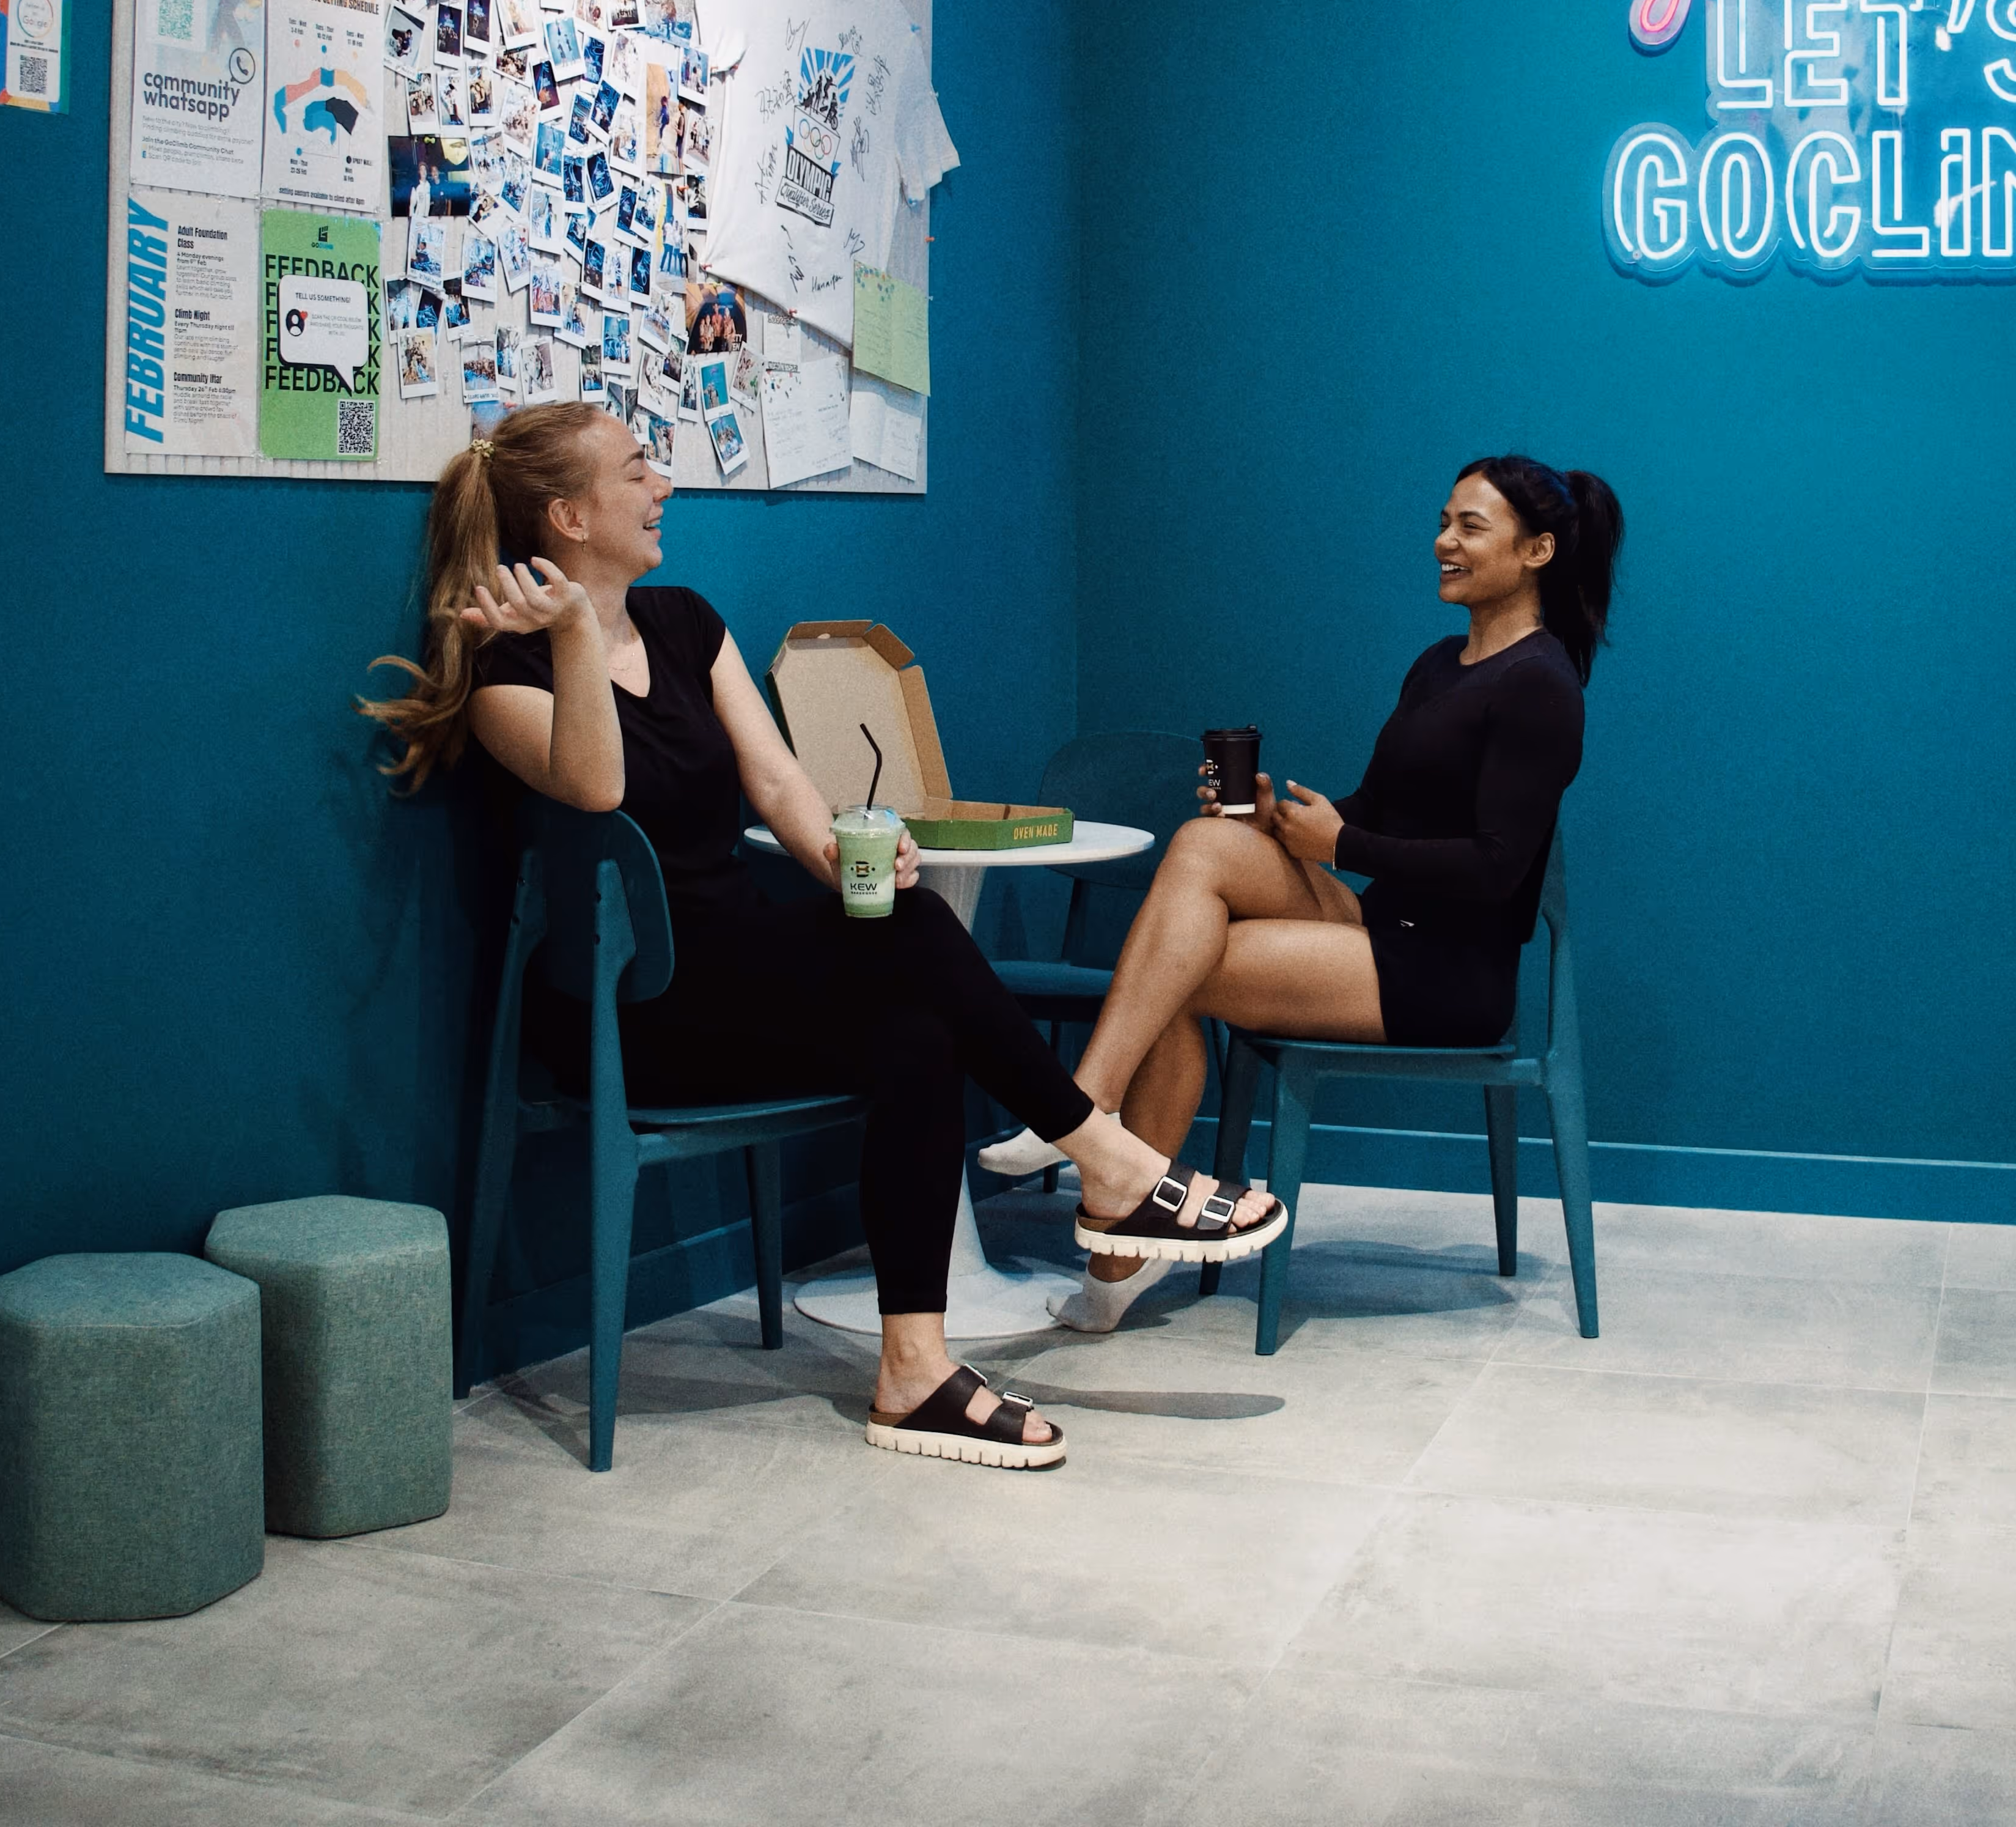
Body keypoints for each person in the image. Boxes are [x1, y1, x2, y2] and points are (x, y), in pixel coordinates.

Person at [358, 402, 1279, 1469]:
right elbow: (597, 785)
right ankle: (1108, 1162)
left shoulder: (687, 623)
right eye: (639, 469)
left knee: (916, 1022)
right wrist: (569, 632)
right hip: (637, 1012)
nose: (665, 485)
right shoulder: (501, 680)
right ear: (568, 517)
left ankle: (913, 1371)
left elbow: (780, 777)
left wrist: (852, 850)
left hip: (746, 977)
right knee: (916, 948)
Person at [989, 454, 1621, 1330]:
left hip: (1448, 973)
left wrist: (1347, 844)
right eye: (1443, 520)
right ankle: (1096, 1135)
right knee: (1208, 841)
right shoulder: (1441, 663)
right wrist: (1280, 819)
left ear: (1538, 551)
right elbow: (1381, 809)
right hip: (1376, 923)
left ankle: (1109, 1214)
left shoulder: (1543, 687)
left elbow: (1496, 869)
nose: (1443, 541)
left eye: (1470, 527)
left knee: (1180, 963)